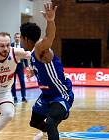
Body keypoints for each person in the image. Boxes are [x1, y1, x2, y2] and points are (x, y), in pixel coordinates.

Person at [20, 2, 74, 140]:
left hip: (61, 94)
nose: (20, 41)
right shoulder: (33, 54)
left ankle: (61, 114)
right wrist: (33, 72)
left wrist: (50, 21)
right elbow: (42, 68)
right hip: (46, 96)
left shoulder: (40, 48)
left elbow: (49, 37)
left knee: (50, 123)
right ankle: (52, 131)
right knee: (34, 122)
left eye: (20, 38)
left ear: (26, 38)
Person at [11, 33, 28, 103]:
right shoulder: (11, 46)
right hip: (13, 65)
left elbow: (25, 56)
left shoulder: (22, 46)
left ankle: (23, 96)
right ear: (14, 38)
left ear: (20, 38)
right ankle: (14, 97)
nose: (17, 38)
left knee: (22, 81)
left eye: (18, 37)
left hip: (20, 66)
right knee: (13, 82)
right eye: (16, 37)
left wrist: (27, 66)